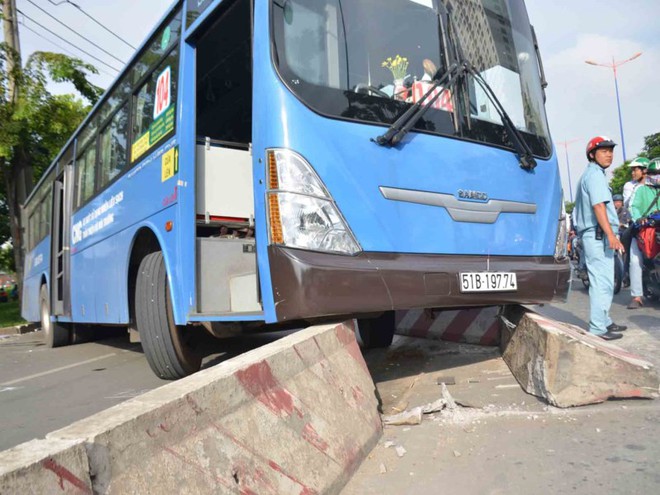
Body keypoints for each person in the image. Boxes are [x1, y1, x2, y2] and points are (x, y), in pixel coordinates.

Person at [573, 136, 626, 340]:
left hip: (598, 234)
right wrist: (611, 235)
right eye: (603, 151)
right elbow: (598, 206)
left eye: (611, 150)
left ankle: (605, 321)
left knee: (603, 280)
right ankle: (597, 328)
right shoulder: (594, 175)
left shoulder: (594, 174)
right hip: (598, 234)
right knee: (602, 282)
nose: (609, 154)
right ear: (592, 155)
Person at [628, 158, 660, 308]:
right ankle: (637, 296)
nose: (657, 176)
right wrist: (639, 218)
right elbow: (633, 207)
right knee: (635, 261)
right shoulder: (640, 190)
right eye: (655, 173)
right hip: (643, 231)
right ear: (649, 174)